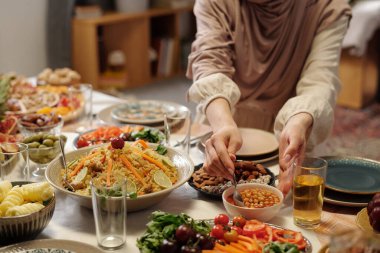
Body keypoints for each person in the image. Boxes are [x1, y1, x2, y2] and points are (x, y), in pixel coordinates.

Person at [186, 0, 352, 194]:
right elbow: (209, 62)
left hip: (289, 133)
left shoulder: (327, 6)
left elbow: (321, 79)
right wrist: (223, 125)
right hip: (221, 122)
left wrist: (299, 121)